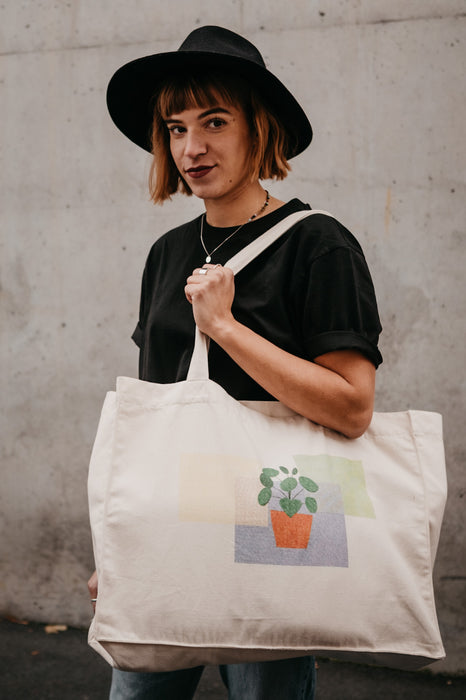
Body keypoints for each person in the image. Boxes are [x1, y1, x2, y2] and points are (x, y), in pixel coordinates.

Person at [88, 25, 382, 700]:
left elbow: (352, 406)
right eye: (175, 126)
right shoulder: (168, 252)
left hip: (274, 517)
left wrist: (223, 326)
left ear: (259, 128)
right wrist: (116, 543)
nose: (192, 147)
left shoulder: (319, 244)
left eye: (214, 121)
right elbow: (156, 417)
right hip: (169, 527)